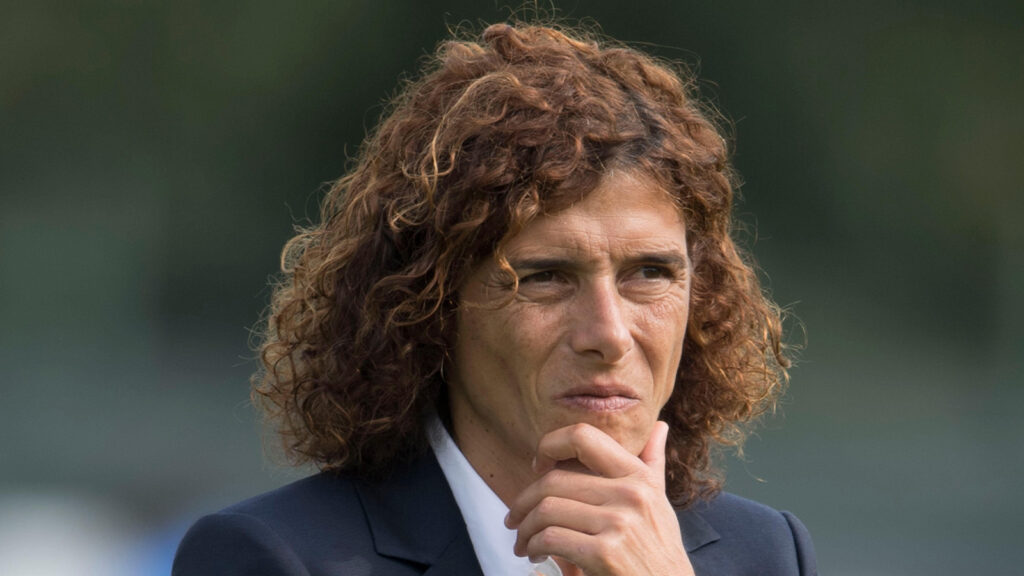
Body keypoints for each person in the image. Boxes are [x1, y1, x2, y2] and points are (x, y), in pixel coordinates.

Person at [172, 21, 817, 576]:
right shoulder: (273, 558)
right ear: (429, 306)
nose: (610, 334)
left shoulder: (767, 553)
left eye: (649, 273)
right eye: (545, 277)